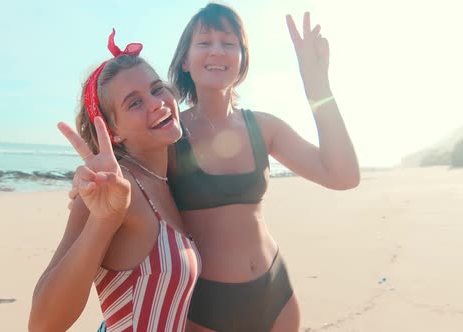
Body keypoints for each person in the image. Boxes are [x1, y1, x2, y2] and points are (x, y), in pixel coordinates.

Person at [166, 3, 360, 331]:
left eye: (229, 43)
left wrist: (317, 84)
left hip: (276, 292)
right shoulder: (168, 135)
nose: (218, 51)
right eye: (204, 43)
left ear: (242, 59)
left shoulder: (264, 127)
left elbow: (343, 176)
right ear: (185, 60)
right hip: (206, 304)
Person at [28, 30, 201, 332]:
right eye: (134, 103)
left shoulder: (170, 178)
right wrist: (103, 221)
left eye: (157, 89)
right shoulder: (111, 189)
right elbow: (43, 324)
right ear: (112, 132)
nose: (157, 103)